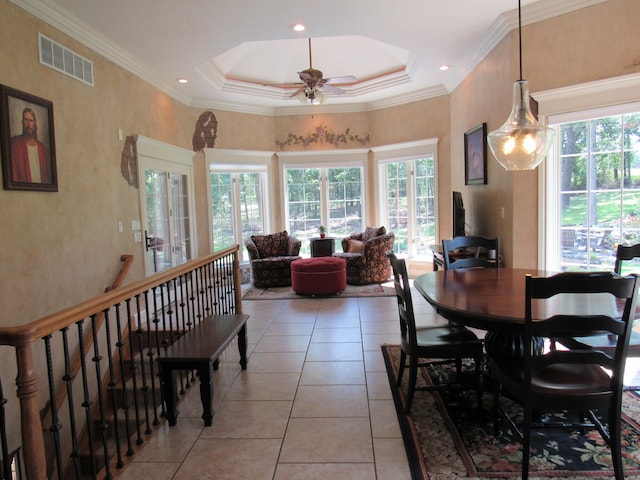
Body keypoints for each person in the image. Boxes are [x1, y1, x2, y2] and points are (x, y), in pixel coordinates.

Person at [11, 107, 51, 183]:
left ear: (34, 124)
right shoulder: (15, 143)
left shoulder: (41, 148)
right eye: (25, 120)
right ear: (22, 122)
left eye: (31, 121)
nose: (28, 124)